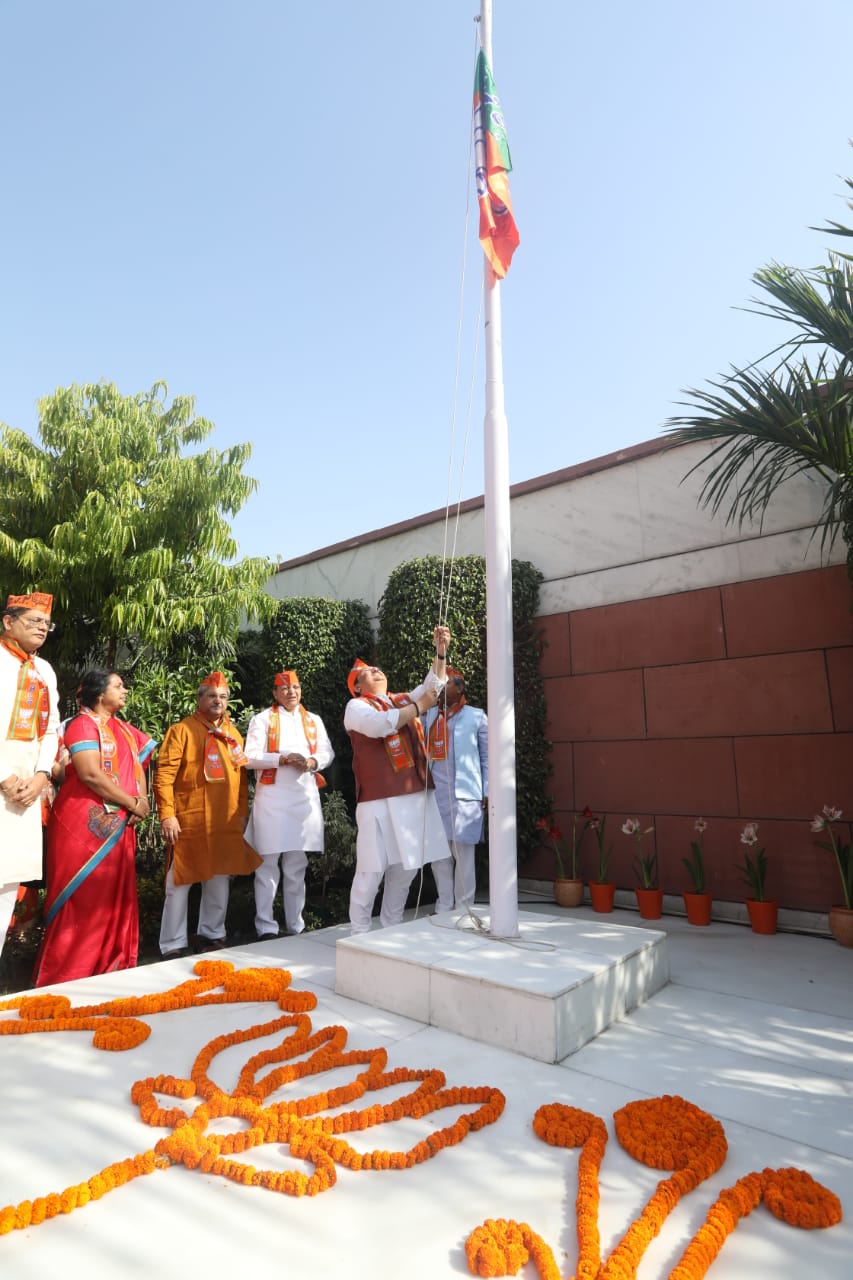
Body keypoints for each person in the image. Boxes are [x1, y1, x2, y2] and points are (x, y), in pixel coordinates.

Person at [34, 669, 155, 986]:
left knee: (112, 898)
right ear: (100, 694)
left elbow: (138, 769)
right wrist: (131, 802)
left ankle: (109, 969)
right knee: (82, 897)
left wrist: (140, 800)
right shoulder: (81, 725)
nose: (125, 690)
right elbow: (89, 774)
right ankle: (67, 974)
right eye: (118, 686)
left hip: (119, 827)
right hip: (82, 826)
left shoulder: (125, 731)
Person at [344, 625, 453, 933]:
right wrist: (419, 707)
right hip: (378, 799)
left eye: (379, 669)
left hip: (413, 794)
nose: (377, 672)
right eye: (369, 672)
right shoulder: (355, 707)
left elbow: (433, 685)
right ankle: (359, 931)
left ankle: (392, 925)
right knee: (371, 868)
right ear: (357, 686)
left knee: (407, 867)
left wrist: (440, 651)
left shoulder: (401, 698)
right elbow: (381, 725)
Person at [154, 671, 260, 957]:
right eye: (212, 696)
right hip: (189, 819)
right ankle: (173, 943)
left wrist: (241, 813)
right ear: (199, 698)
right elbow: (163, 775)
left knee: (219, 878)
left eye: (223, 697)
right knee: (179, 881)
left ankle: (212, 935)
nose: (218, 701)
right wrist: (167, 814)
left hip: (224, 819)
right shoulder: (182, 730)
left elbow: (240, 778)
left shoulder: (232, 734)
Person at [244, 669, 334, 940]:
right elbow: (249, 758)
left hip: (303, 798)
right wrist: (282, 759)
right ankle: (266, 927)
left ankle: (296, 925)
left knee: (297, 864)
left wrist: (311, 762)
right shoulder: (262, 720)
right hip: (272, 799)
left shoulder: (313, 720)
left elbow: (326, 751)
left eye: (295, 687)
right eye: (284, 688)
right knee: (267, 864)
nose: (291, 692)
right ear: (274, 693)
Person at [0, 592, 60, 960]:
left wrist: (40, 778)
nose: (42, 628)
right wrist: (5, 777)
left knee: (8, 884)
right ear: (8, 622)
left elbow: (51, 730)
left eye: (46, 624)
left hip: (25, 793)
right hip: (5, 785)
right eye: (33, 621)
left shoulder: (45, 671)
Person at [422, 667, 488, 909]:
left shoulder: (477, 716)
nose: (440, 689)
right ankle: (444, 904)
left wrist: (488, 790)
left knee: (464, 853)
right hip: (436, 793)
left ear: (459, 687)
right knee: (439, 854)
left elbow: (487, 757)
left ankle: (464, 906)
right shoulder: (429, 716)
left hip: (466, 795)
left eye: (446, 683)